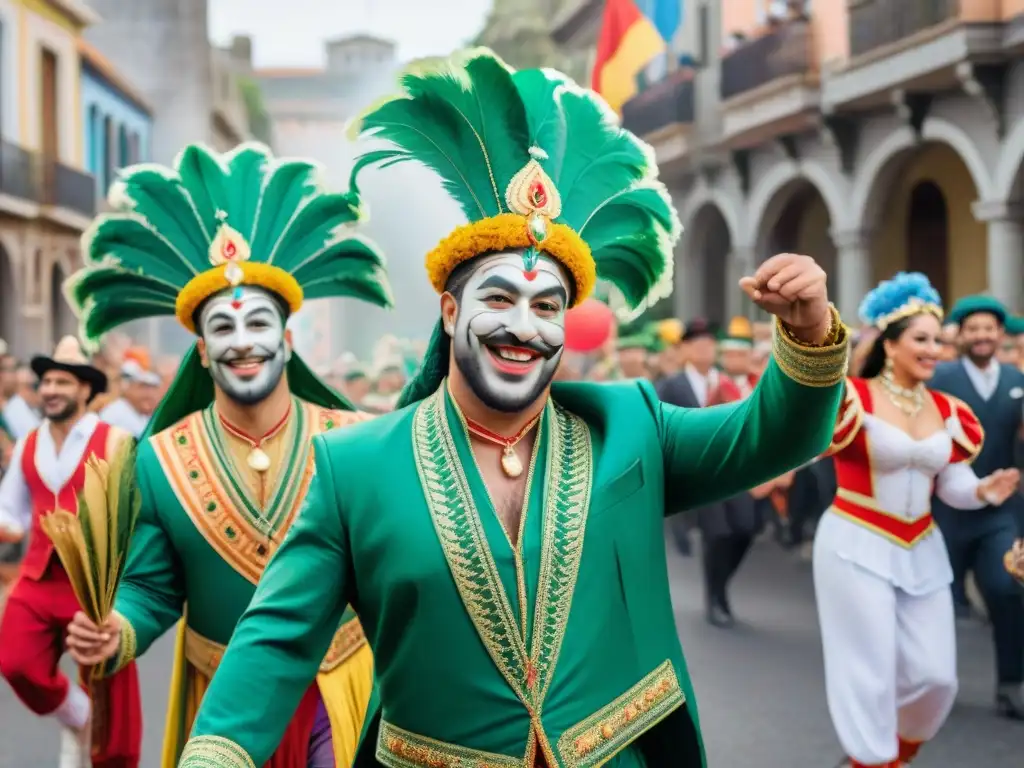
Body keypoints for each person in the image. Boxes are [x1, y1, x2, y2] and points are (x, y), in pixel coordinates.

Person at [163, 50, 849, 768]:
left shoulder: (631, 427)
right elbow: (273, 642)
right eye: (498, 299)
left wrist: (806, 334)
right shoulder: (354, 467)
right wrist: (216, 755)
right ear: (451, 310)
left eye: (547, 306)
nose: (524, 326)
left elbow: (771, 438)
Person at [62, 142, 394, 768]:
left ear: (288, 342)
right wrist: (118, 631)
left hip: (339, 688)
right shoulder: (158, 461)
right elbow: (151, 588)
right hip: (222, 707)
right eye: (223, 329)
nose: (244, 343)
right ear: (204, 352)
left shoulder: (356, 440)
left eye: (259, 325)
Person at [815, 273, 1020, 768]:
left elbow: (952, 483)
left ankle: (895, 754)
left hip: (920, 546)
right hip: (854, 542)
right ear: (891, 344)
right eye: (922, 340)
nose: (934, 350)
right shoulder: (853, 399)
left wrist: (982, 490)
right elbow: (806, 447)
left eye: (938, 341)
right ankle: (871, 758)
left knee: (936, 677)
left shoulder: (949, 410)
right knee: (871, 669)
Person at [0, 336, 142, 768]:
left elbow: (136, 512)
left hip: (96, 585)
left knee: (112, 689)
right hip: (39, 577)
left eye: (62, 381)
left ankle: (109, 759)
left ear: (85, 389)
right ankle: (77, 715)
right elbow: (12, 511)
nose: (51, 390)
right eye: (45, 382)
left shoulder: (117, 440)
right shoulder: (27, 443)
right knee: (15, 660)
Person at [929, 294, 1024, 719]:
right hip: (943, 511)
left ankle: (1011, 684)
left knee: (1006, 590)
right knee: (937, 602)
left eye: (989, 329)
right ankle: (931, 688)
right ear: (961, 335)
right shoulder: (940, 377)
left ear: (1000, 335)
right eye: (974, 329)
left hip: (999, 512)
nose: (982, 335)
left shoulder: (1014, 381)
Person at [98, 353, 162, 438]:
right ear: (128, 388)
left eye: (153, 388)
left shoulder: (146, 416)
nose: (149, 395)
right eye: (144, 387)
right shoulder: (113, 414)